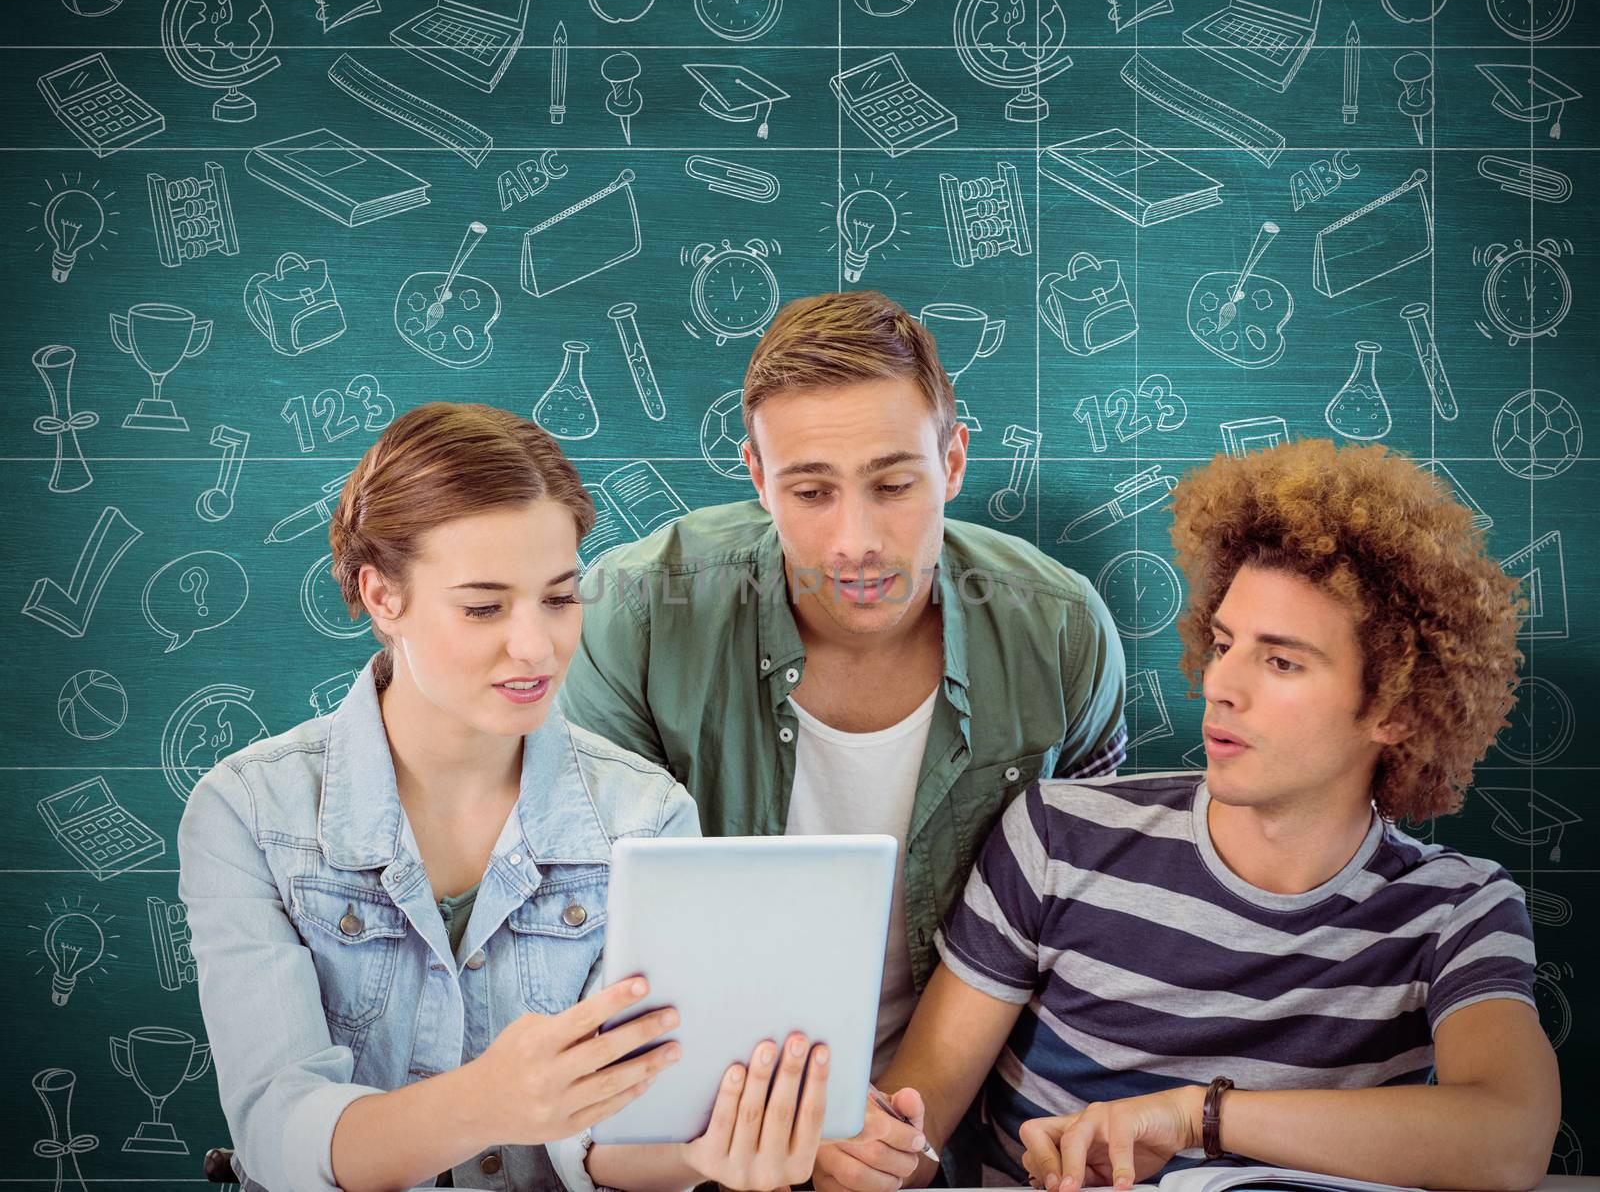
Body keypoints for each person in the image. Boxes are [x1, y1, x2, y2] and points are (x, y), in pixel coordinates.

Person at [816, 437, 1561, 1192]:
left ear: (1396, 710)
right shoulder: (1058, 836)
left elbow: (1509, 1141)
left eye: (1280, 662)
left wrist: (1195, 1118)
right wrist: (875, 1154)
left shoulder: (1459, 909)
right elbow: (912, 1133)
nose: (1219, 686)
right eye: (1223, 642)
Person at [178, 404, 829, 1192]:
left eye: (559, 597)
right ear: (382, 596)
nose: (536, 646)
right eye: (484, 606)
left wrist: (700, 1151)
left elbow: (609, 1136)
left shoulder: (647, 815)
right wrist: (483, 1101)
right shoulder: (248, 812)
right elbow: (280, 1133)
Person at [561, 291, 1129, 1084]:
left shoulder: (1062, 631)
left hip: (968, 1123)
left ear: (953, 463)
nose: (856, 544)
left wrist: (913, 1129)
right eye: (811, 492)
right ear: (757, 476)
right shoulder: (630, 618)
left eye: (893, 486)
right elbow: (579, 937)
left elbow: (1087, 926)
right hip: (688, 1112)